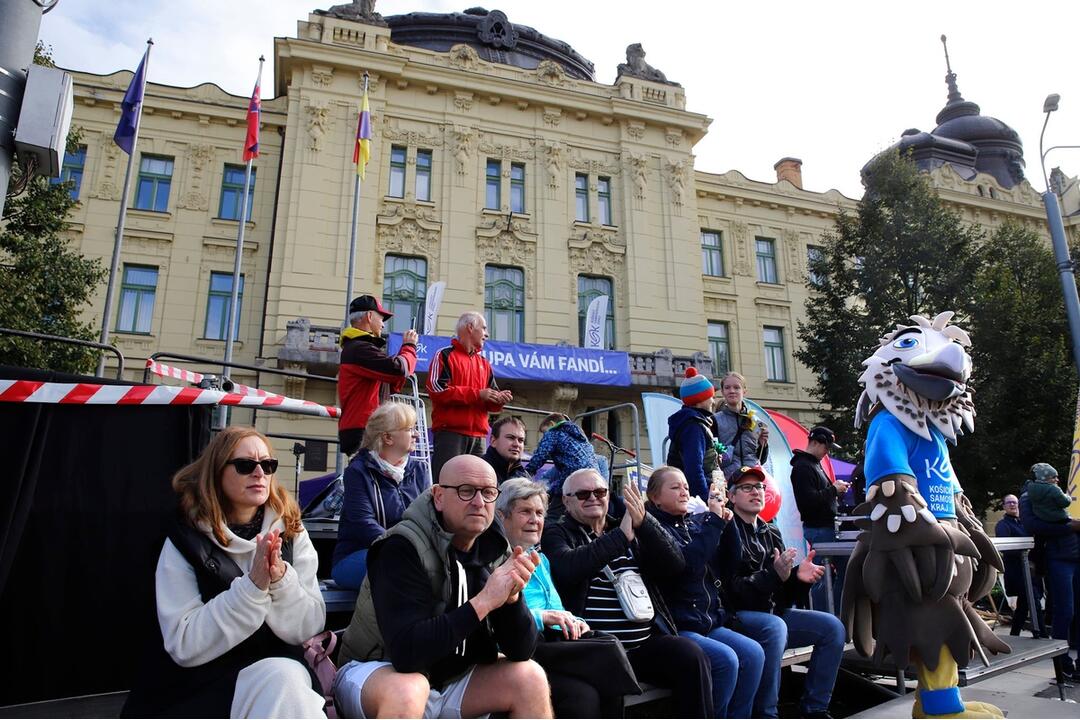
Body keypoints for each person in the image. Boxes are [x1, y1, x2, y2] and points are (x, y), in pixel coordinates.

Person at [122, 427, 326, 718]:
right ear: (217, 473)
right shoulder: (185, 537)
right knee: (284, 680)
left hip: (279, 673)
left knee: (285, 678)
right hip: (201, 687)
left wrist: (281, 580)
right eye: (245, 465)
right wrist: (253, 588)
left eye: (268, 465)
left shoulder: (291, 531)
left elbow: (308, 625)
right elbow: (184, 642)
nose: (259, 473)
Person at [334, 455, 552, 719]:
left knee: (530, 677)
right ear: (438, 496)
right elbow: (407, 654)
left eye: (488, 493)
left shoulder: (496, 548)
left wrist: (512, 600)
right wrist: (484, 601)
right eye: (466, 491)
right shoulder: (401, 546)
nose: (479, 502)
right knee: (409, 689)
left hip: (452, 676)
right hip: (379, 670)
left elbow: (521, 651)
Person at [542, 468, 714, 718]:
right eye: (582, 494)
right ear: (566, 501)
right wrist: (621, 537)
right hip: (595, 650)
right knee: (606, 680)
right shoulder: (558, 533)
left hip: (642, 645)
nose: (593, 498)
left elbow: (675, 564)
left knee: (691, 655)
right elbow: (570, 568)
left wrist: (644, 522)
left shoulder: (627, 526)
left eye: (600, 492)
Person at [496, 478, 639, 718]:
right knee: (605, 658)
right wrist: (543, 617)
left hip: (551, 645)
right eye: (525, 512)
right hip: (518, 649)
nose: (535, 520)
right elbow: (495, 619)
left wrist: (572, 619)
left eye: (540, 513)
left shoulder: (541, 561)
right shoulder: (494, 559)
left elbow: (557, 608)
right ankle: (625, 678)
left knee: (598, 682)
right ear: (502, 516)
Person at [725, 466, 844, 719]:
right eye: (747, 488)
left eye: (759, 487)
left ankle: (814, 709)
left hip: (772, 613)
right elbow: (732, 592)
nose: (756, 492)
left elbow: (784, 595)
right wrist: (773, 576)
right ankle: (767, 714)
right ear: (732, 496)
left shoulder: (770, 531)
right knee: (774, 627)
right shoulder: (726, 531)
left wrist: (799, 579)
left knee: (832, 627)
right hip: (737, 617)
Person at [646, 466, 763, 719]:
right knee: (726, 660)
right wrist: (714, 521)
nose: (684, 492)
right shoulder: (654, 529)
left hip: (708, 620)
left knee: (753, 653)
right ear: (655, 497)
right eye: (675, 487)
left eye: (686, 487)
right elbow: (689, 564)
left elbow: (732, 560)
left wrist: (727, 523)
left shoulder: (695, 523)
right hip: (680, 624)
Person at [331, 402, 430, 590]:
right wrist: (404, 546)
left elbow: (428, 517)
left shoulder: (420, 470)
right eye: (410, 429)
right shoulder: (358, 471)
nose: (416, 434)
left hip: (408, 552)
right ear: (387, 438)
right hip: (357, 555)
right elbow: (363, 524)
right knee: (402, 566)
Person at [427, 312, 511, 481]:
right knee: (446, 483)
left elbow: (490, 400)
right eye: (484, 328)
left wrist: (499, 400)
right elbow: (436, 390)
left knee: (476, 485)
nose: (487, 334)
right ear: (470, 328)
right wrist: (478, 394)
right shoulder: (444, 355)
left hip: (479, 436)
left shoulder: (484, 363)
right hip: (450, 433)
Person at [338, 294, 419, 457]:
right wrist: (409, 346)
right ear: (369, 316)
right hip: (364, 428)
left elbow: (393, 379)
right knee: (368, 478)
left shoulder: (357, 347)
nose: (383, 324)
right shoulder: (359, 348)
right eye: (381, 318)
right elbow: (400, 369)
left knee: (373, 477)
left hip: (362, 427)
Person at [1020, 478, 1080, 681]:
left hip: (1073, 556)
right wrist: (1070, 527)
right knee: (1066, 611)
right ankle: (1062, 663)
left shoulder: (1058, 494)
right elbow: (1032, 525)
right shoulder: (1030, 496)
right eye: (1051, 476)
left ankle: (1075, 665)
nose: (1056, 479)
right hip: (1059, 558)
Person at [791, 426, 849, 613]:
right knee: (826, 575)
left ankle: (833, 615)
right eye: (826, 447)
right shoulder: (802, 467)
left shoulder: (812, 464)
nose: (827, 452)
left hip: (824, 527)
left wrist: (834, 492)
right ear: (815, 442)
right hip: (819, 528)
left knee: (831, 573)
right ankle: (830, 616)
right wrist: (834, 490)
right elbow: (808, 501)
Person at [666, 368, 729, 503]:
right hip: (703, 499)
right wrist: (706, 500)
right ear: (701, 399)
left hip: (711, 492)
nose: (713, 401)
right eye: (710, 397)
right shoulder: (693, 427)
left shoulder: (697, 423)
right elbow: (694, 469)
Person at [526, 413, 602, 520]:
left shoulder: (553, 433)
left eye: (544, 432)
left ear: (552, 424)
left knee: (552, 512)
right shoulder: (579, 435)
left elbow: (541, 454)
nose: (544, 436)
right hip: (593, 477)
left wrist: (528, 471)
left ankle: (547, 533)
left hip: (574, 476)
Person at [994, 493, 1045, 638]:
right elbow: (1006, 548)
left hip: (1032, 570)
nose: (1012, 505)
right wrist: (1026, 549)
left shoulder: (1025, 523)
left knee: (1024, 605)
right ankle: (1041, 634)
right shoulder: (1003, 525)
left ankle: (1014, 634)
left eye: (1015, 502)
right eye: (1009, 502)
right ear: (1004, 506)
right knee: (1033, 601)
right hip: (1017, 571)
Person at [714, 372, 769, 481]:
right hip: (729, 481)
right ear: (723, 392)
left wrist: (764, 444)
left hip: (752, 478)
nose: (732, 391)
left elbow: (760, 459)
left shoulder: (755, 420)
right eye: (727, 387)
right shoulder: (714, 420)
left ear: (744, 391)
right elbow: (712, 459)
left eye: (736, 387)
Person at [482, 416, 531, 485]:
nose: (516, 444)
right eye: (510, 438)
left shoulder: (524, 476)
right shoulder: (478, 471)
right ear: (493, 441)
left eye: (521, 440)